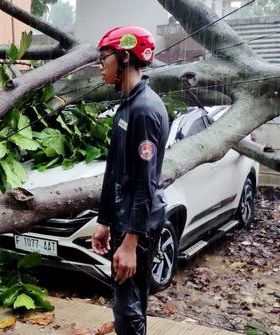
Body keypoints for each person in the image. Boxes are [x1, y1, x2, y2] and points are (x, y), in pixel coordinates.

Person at [90, 26, 169, 335]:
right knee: (128, 304)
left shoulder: (145, 110)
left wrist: (132, 242)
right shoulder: (128, 105)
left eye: (103, 58)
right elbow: (115, 170)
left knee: (128, 310)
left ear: (123, 57)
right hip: (123, 220)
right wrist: (105, 220)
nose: (100, 66)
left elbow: (145, 182)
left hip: (139, 225)